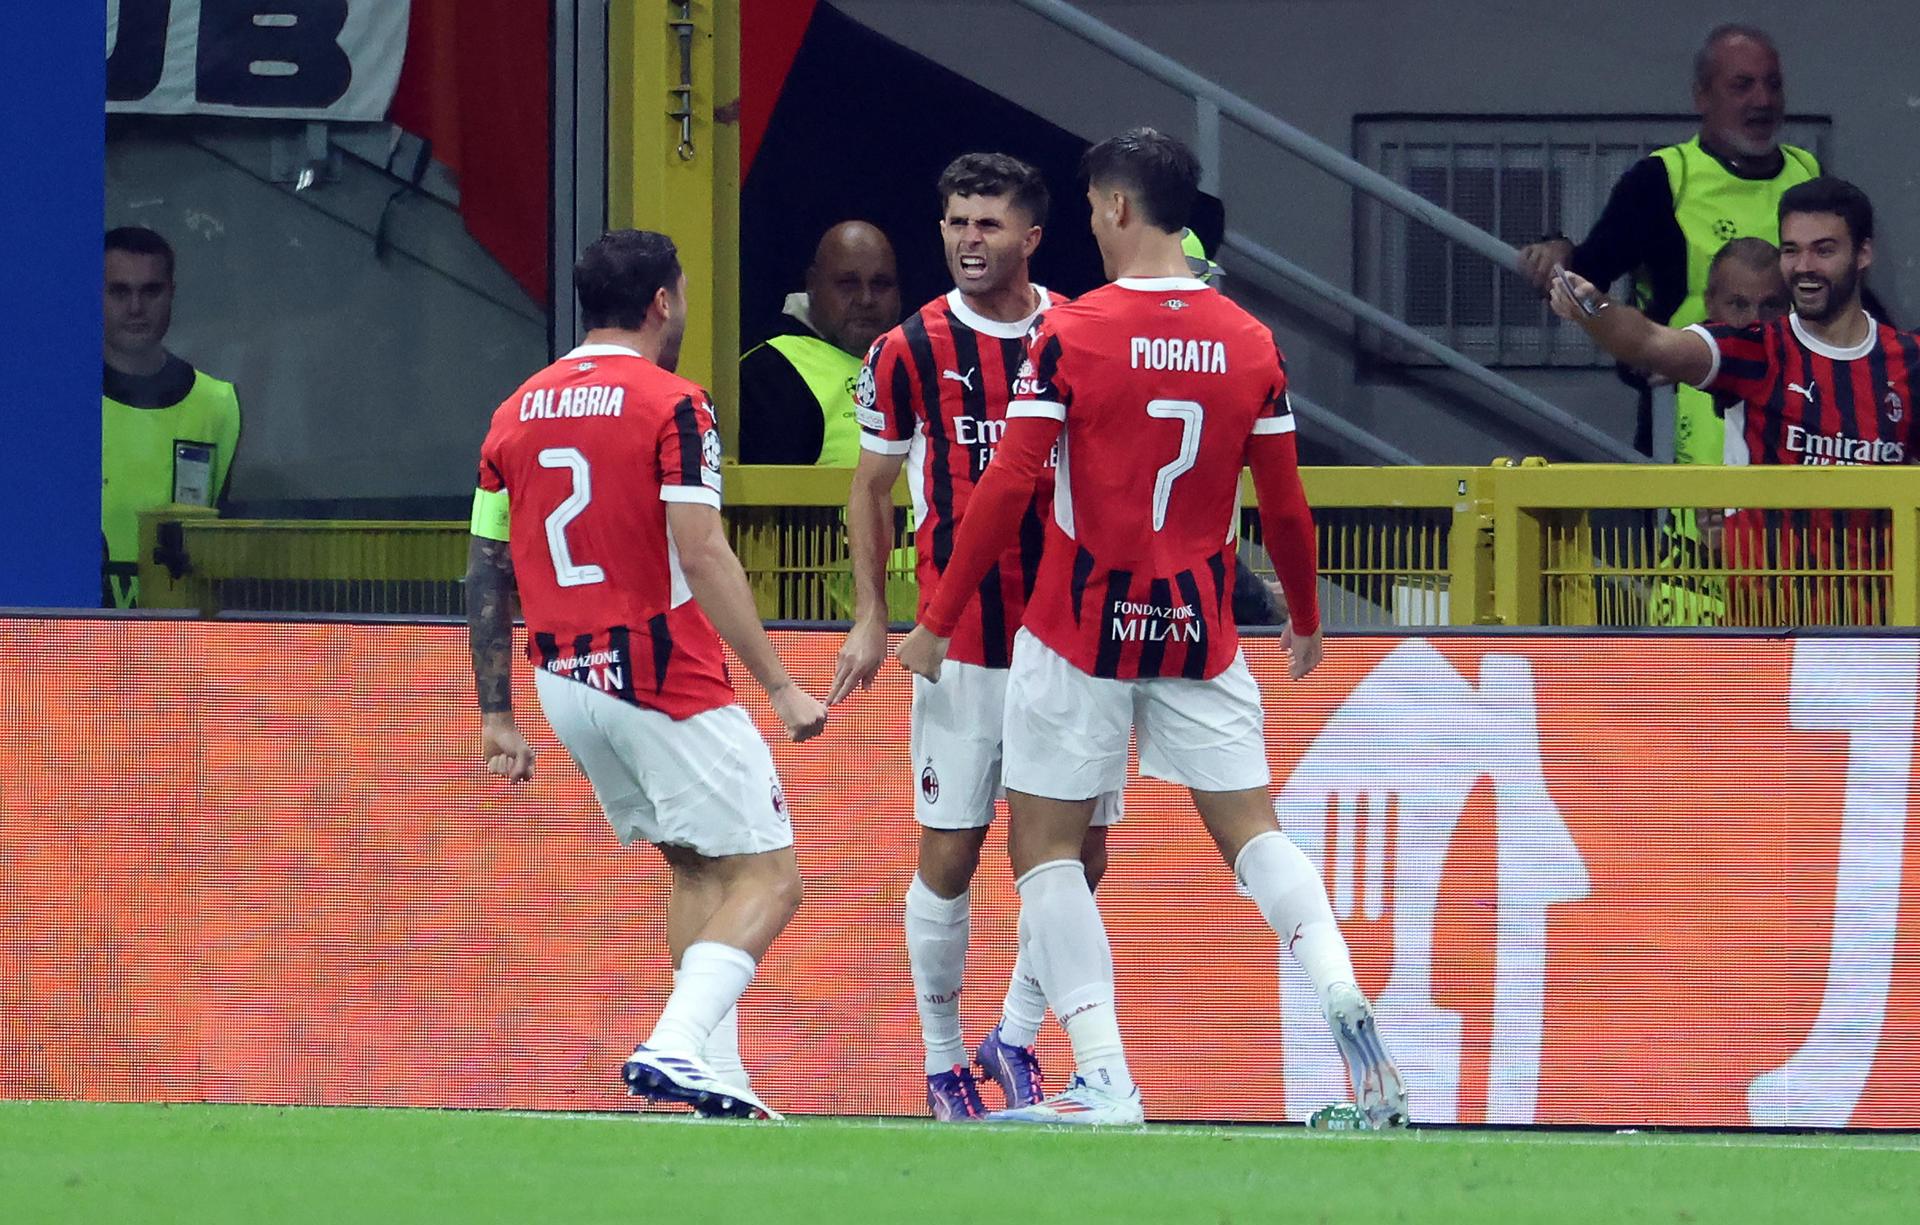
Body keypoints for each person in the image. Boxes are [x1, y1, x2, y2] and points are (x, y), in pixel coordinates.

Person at [897, 128, 1408, 1127]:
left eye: (1093, 210)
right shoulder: (1248, 339)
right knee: (1255, 832)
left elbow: (1010, 484)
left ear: (1122, 209)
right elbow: (1288, 507)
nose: (1090, 225)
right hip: (1197, 625)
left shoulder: (1075, 331)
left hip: (1080, 626)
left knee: (1045, 852)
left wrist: (939, 617)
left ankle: (1104, 1077)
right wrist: (1304, 616)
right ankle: (1342, 987)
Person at [465, 229, 829, 1121]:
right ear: (664, 300)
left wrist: (495, 713)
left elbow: (484, 566)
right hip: (659, 674)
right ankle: (673, 1042)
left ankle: (720, 1081)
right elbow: (701, 551)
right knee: (771, 879)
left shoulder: (515, 408)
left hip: (562, 678)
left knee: (700, 870)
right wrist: (779, 681)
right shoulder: (677, 405)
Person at [827, 153, 1120, 1121]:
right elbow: (870, 487)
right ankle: (944, 1059)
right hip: (963, 646)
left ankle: (1018, 1035)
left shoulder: (1080, 331)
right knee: (950, 853)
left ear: (1032, 237)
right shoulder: (906, 350)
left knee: (1082, 860)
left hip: (1075, 639)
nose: (967, 240)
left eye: (989, 224)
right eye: (956, 222)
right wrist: (876, 614)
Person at [1550, 178, 1920, 624]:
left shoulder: (1909, 361)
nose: (1804, 267)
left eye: (1823, 250)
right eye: (1791, 250)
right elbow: (1651, 341)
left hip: (1881, 641)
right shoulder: (1755, 350)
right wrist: (1595, 308)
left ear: (1863, 254)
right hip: (1765, 635)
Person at [1517, 24, 1817, 463]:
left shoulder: (1807, 172)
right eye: (1742, 85)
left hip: (1795, 408)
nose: (1763, 100)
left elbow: (1846, 288)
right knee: (1683, 531)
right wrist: (1559, 249)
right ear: (1702, 97)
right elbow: (1583, 281)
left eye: (1773, 84)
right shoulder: (1662, 179)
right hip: (1687, 413)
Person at [1647, 237, 1789, 625]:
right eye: (1739, 305)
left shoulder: (1802, 381)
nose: (1754, 321)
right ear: (1711, 303)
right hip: (1683, 597)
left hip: (1766, 597)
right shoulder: (1683, 368)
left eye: (1770, 305)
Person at [101, 226, 242, 608]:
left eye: (150, 291)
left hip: (176, 641)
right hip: (73, 631)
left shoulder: (217, 404)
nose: (135, 307)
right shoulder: (60, 402)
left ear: (171, 294)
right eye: (119, 291)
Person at [738, 221, 902, 465]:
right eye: (848, 283)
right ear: (812, 284)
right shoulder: (769, 374)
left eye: (881, 284)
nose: (866, 299)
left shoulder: (920, 365)